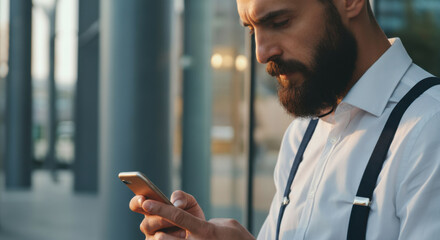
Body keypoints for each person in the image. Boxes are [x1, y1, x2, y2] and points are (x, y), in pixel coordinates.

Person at [129, 0, 440, 239]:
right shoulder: (302, 135)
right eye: (252, 30)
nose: (261, 53)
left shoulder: (430, 128)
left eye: (279, 21)